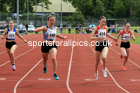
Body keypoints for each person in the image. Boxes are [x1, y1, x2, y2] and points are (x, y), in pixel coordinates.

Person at [34, 13, 67, 80]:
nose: (52, 22)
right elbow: (37, 29)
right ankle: (44, 66)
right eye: (51, 20)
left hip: (53, 45)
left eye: (53, 20)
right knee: (45, 60)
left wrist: (63, 37)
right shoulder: (45, 28)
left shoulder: (56, 28)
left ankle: (54, 73)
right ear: (48, 21)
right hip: (45, 45)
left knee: (53, 58)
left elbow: (56, 34)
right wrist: (37, 30)